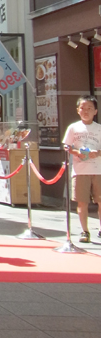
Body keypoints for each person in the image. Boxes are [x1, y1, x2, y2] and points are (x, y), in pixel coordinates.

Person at [63, 95, 101, 243]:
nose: (86, 111)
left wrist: (97, 153)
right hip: (80, 171)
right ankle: (85, 231)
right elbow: (66, 146)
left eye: (90, 108)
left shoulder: (99, 129)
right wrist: (76, 152)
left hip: (98, 170)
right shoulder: (73, 128)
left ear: (95, 111)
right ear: (78, 110)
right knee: (82, 202)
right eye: (83, 108)